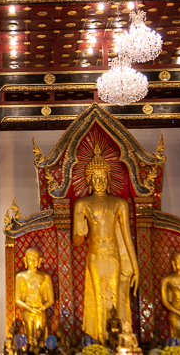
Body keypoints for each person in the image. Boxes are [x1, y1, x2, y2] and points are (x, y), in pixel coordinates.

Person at [73, 145, 139, 342]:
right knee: (99, 296)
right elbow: (77, 241)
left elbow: (127, 237)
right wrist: (80, 228)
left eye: (103, 178)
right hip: (95, 256)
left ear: (109, 179)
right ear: (89, 180)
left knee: (115, 296)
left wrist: (136, 268)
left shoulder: (119, 203)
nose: (100, 182)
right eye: (95, 178)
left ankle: (116, 340)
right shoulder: (82, 204)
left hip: (113, 255)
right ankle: (100, 339)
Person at [15, 248, 55, 343]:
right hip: (28, 311)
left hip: (40, 311)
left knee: (40, 338)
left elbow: (51, 300)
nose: (33, 261)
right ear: (25, 260)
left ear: (39, 260)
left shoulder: (45, 276)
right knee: (29, 338)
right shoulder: (21, 276)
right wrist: (30, 308)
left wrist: (41, 308)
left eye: (35, 259)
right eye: (30, 259)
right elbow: (17, 299)